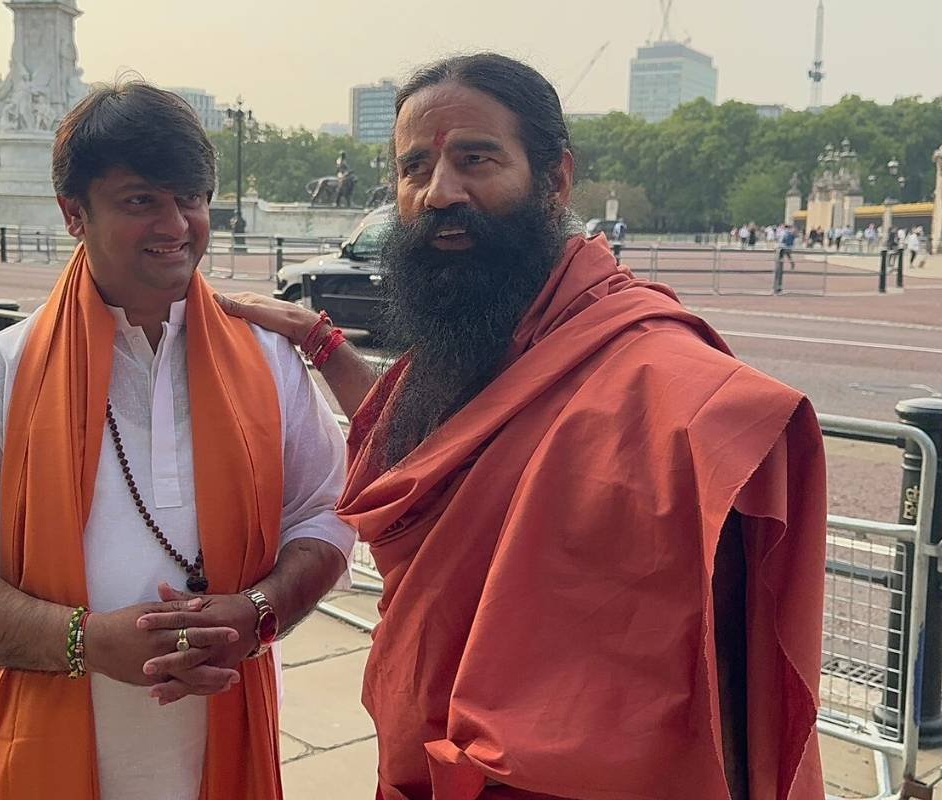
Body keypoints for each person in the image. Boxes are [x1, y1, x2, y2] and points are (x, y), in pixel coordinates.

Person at [215, 53, 826, 800]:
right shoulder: (470, 334)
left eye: (476, 159)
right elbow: (443, 446)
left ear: (556, 178)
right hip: (420, 746)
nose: (440, 192)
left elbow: (688, 416)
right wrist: (325, 344)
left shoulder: (646, 367)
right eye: (415, 168)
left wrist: (720, 430)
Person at [0, 81, 354, 800]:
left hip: (220, 753)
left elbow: (326, 515)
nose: (176, 224)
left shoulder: (267, 363)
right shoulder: (0, 374)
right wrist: (84, 642)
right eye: (141, 201)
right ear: (74, 213)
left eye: (191, 198)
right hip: (48, 759)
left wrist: (260, 612)